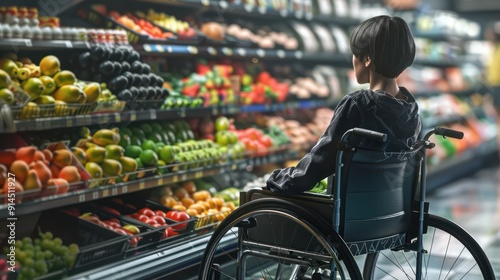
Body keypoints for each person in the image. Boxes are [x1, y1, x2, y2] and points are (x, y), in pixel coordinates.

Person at [266, 15, 421, 194]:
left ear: (368, 58)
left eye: (355, 54)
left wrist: (281, 179)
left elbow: (321, 162)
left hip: (349, 209)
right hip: (388, 206)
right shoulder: (411, 110)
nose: (353, 61)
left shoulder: (358, 104)